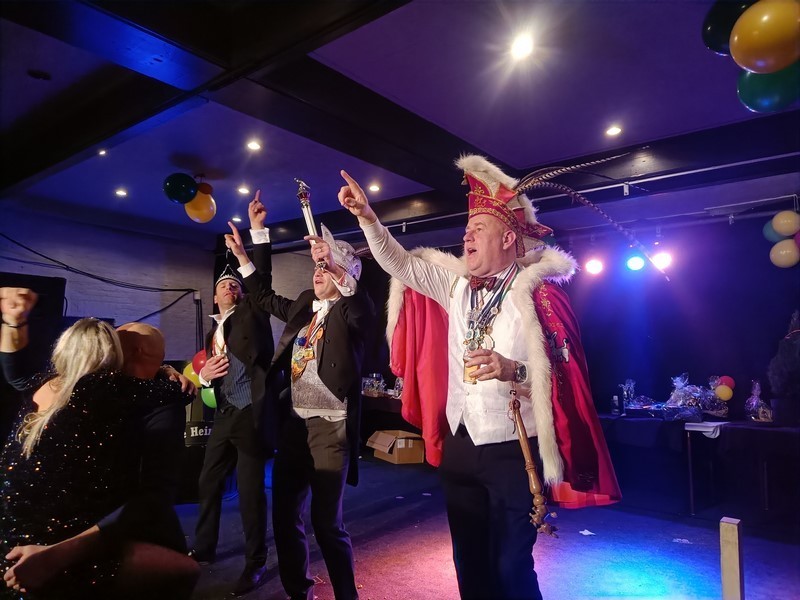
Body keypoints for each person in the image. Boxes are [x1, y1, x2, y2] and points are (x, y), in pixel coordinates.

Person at [338, 157, 621, 600]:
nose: (466, 236)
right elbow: (400, 264)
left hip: (514, 449)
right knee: (469, 561)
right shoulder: (455, 287)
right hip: (461, 442)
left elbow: (563, 375)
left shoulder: (536, 294)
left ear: (508, 238)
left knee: (511, 565)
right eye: (466, 229)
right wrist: (368, 218)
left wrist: (513, 369)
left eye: (478, 229)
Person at [225, 203, 376, 600]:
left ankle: (346, 596)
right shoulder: (306, 304)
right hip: (293, 424)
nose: (318, 272)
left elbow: (360, 307)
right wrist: (249, 246)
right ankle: (299, 593)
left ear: (345, 274)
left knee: (327, 525)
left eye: (327, 267)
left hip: (330, 427)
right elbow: (262, 296)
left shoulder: (351, 311)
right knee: (285, 516)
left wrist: (336, 267)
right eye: (317, 266)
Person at [0, 318, 198, 599]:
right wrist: (168, 372)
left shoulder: (54, 385)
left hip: (29, 535)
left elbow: (154, 495)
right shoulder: (104, 388)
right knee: (185, 570)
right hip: (65, 531)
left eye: (119, 340)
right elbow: (177, 392)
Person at [189, 192, 275, 596]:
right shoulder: (213, 329)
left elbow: (262, 278)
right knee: (208, 482)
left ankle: (255, 562)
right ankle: (203, 547)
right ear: (215, 294)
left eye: (234, 284)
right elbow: (207, 372)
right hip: (223, 413)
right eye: (224, 285)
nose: (230, 288)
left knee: (251, 492)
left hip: (250, 412)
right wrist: (204, 376)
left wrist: (257, 233)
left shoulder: (252, 311)